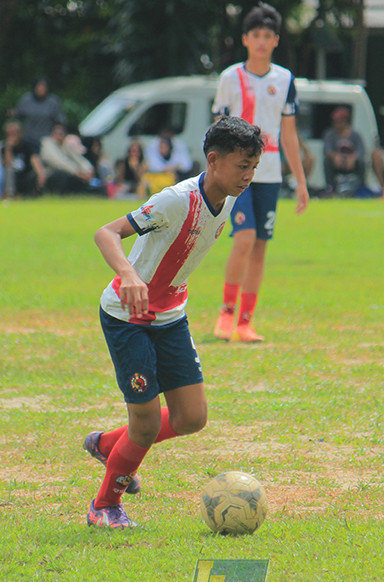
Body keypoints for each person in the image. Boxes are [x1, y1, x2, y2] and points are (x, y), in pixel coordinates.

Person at [84, 117, 263, 529]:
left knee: (191, 418)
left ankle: (109, 444)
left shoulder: (231, 196)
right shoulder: (176, 200)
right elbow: (106, 233)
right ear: (213, 161)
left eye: (254, 167)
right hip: (128, 316)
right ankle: (104, 506)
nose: (248, 176)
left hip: (170, 316)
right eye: (241, 166)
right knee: (145, 425)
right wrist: (129, 275)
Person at [212, 2, 309, 344]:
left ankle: (245, 322)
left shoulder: (284, 80)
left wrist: (300, 180)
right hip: (234, 175)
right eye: (256, 35)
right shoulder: (230, 78)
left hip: (268, 173)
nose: (262, 42)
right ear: (245, 39)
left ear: (276, 40)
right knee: (244, 238)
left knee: (260, 247)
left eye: (268, 35)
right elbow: (217, 127)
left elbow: (289, 134)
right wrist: (214, 171)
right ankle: (225, 313)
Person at [39, 123, 101, 195]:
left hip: (74, 174)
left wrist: (88, 170)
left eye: (61, 133)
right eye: (57, 133)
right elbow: (58, 162)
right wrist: (77, 173)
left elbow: (79, 159)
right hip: (53, 176)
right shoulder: (47, 144)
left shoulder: (66, 146)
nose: (59, 136)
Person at [322, 106, 366, 197]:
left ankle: (360, 187)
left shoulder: (355, 135)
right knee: (327, 161)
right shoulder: (330, 134)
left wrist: (353, 158)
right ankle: (330, 187)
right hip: (337, 163)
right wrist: (335, 156)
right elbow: (327, 150)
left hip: (352, 163)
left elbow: (361, 150)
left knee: (361, 163)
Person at [141, 127, 194, 197]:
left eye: (164, 147)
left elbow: (186, 166)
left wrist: (175, 168)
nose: (162, 149)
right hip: (156, 179)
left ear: (169, 147)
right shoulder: (153, 150)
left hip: (174, 181)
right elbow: (151, 165)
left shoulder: (178, 151)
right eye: (161, 147)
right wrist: (165, 169)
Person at [13, 76, 67, 144]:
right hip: (28, 137)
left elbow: (61, 120)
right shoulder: (26, 100)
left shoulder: (53, 101)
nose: (41, 89)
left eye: (44, 87)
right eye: (39, 87)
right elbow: (18, 114)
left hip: (47, 137)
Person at [0, 118, 46, 198]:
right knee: (8, 171)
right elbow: (8, 164)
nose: (13, 136)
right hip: (14, 177)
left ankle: (31, 195)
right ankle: (10, 195)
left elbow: (34, 159)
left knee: (34, 175)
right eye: (10, 133)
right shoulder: (5, 148)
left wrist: (40, 174)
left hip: (26, 175)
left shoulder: (28, 144)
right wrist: (9, 148)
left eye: (15, 133)